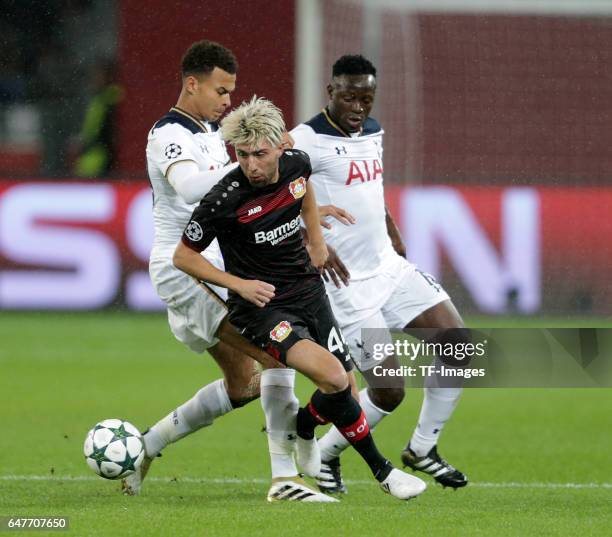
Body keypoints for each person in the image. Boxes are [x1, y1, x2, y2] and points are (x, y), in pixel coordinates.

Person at [173, 96, 427, 502]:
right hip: (263, 306)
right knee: (331, 375)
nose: (251, 164)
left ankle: (306, 427)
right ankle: (384, 472)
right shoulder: (223, 200)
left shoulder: (297, 164)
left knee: (343, 383)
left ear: (280, 147)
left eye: (259, 153)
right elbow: (182, 256)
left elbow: (303, 190)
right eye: (242, 154)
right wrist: (235, 284)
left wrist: (317, 240)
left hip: (308, 291)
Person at [125, 40, 346, 502]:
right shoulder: (169, 134)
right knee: (277, 351)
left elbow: (242, 196)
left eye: (231, 92)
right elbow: (188, 189)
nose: (227, 101)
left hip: (216, 265)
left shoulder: (208, 132)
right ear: (192, 83)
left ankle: (147, 445)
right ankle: (285, 479)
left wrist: (284, 194)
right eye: (221, 90)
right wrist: (256, 162)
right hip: (187, 269)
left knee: (243, 385)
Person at [289, 54, 469, 493]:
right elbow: (274, 200)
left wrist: (390, 227)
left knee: (460, 345)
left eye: (366, 98)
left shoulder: (373, 131)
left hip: (389, 267)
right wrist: (314, 240)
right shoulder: (304, 140)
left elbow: (373, 188)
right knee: (389, 390)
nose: (358, 108)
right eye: (349, 97)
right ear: (330, 92)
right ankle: (327, 453)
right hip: (345, 286)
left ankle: (423, 448)